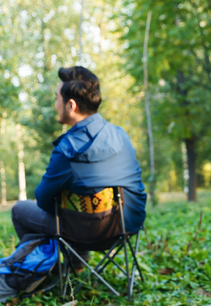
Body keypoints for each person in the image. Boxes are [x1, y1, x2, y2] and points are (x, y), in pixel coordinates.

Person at [11, 66, 146, 244]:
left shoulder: (67, 150)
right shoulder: (121, 135)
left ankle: (51, 260)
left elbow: (43, 200)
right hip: (126, 227)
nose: (55, 105)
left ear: (71, 106)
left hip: (82, 235)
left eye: (56, 98)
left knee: (19, 210)